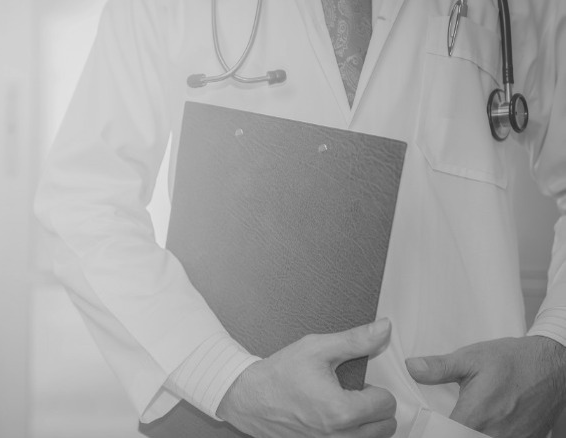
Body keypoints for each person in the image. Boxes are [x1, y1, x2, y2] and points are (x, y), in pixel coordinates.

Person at [35, 1, 566, 437]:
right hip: (234, 422)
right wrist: (228, 381)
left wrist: (556, 350)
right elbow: (85, 199)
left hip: (463, 418)